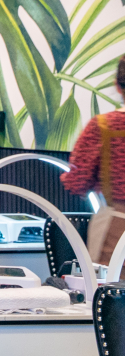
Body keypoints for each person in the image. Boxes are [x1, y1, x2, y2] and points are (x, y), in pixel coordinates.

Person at [61, 54, 125, 265]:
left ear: (118, 86)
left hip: (115, 227)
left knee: (110, 283)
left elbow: (77, 182)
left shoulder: (104, 126)